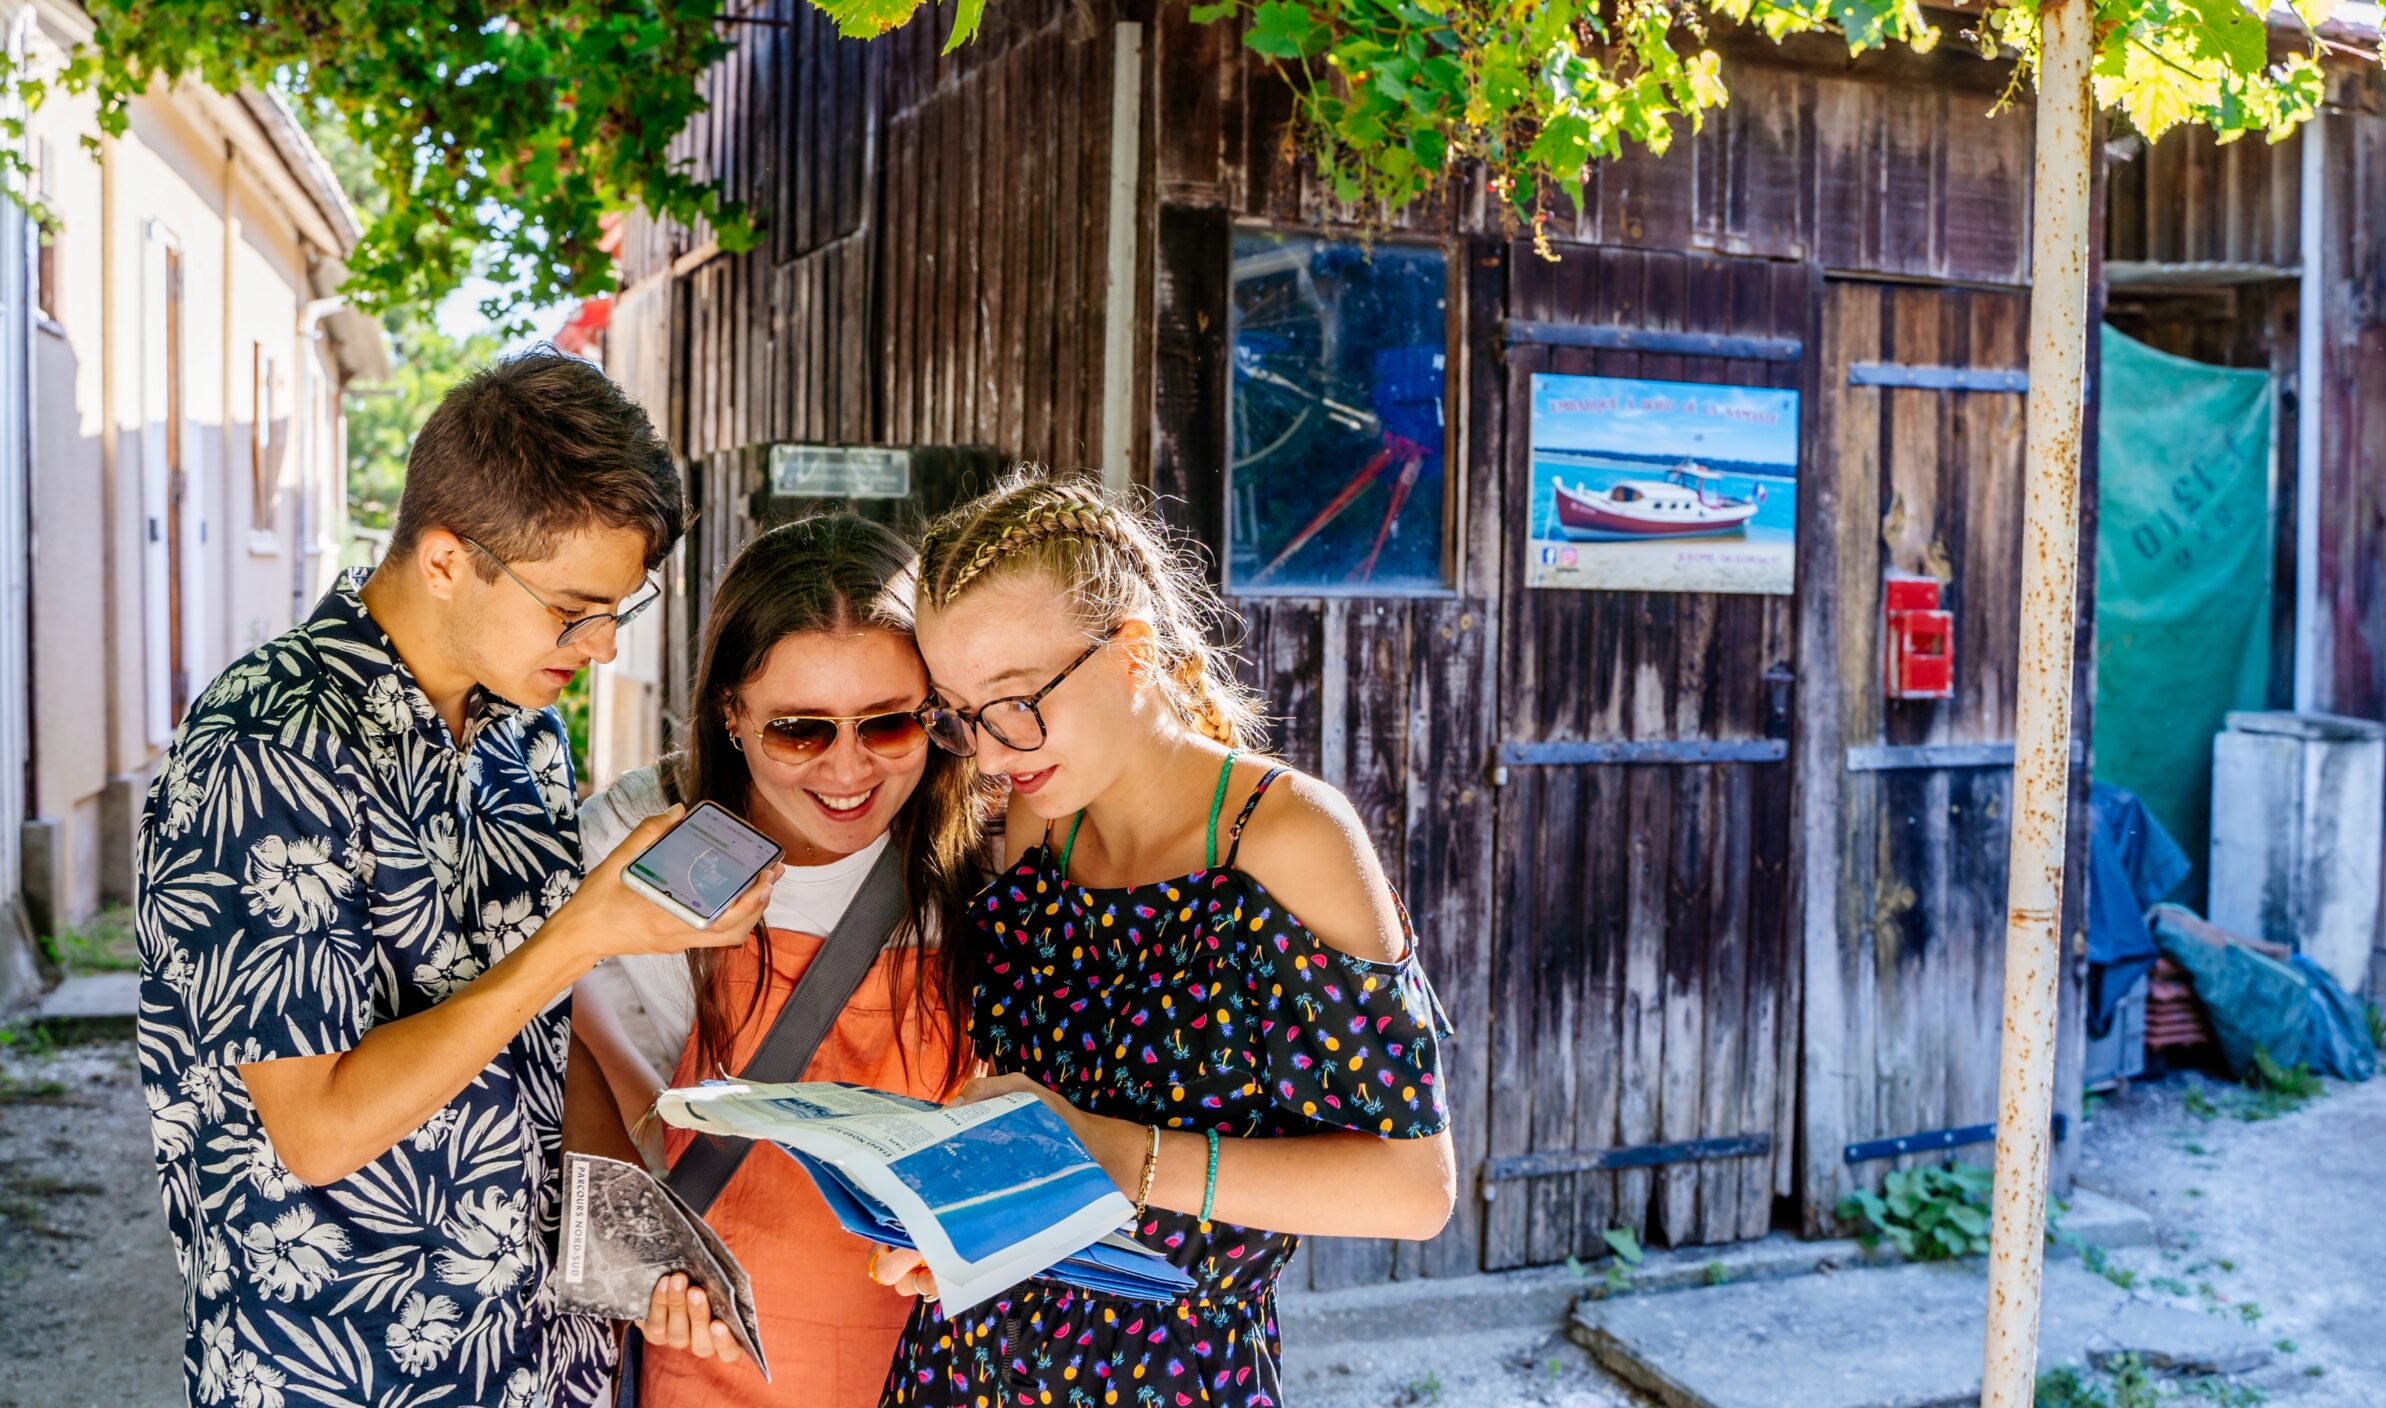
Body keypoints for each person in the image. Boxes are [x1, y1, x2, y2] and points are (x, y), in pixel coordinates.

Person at [134, 349, 771, 1408]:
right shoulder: (266, 745)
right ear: (443, 560)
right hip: (345, 1369)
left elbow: (536, 1046)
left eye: (621, 606)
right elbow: (319, 1128)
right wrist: (584, 932)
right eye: (574, 608)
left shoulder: (524, 730)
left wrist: (646, 1244)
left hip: (541, 1362)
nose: (605, 648)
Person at [869, 471, 1457, 1406]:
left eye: (1016, 702)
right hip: (962, 1360)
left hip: (1170, 1377)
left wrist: (1116, 1153)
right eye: (960, 714)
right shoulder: (1041, 821)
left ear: (1132, 655)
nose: (985, 753)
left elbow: (1413, 1190)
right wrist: (970, 1227)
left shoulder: (1292, 838)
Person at [564, 513, 987, 1408]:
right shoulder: (633, 842)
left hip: (940, 1364)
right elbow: (550, 1031)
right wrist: (651, 1234)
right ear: (731, 711)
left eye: (891, 726)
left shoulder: (990, 855)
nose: (848, 770)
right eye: (800, 731)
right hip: (712, 1355)